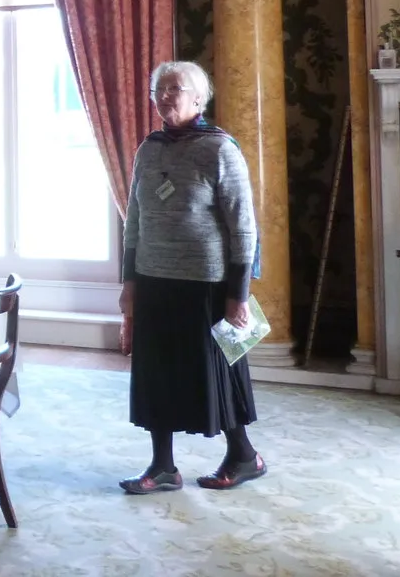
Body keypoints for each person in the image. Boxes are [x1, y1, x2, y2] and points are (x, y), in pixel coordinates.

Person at [118, 60, 265, 494]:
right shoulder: (149, 148)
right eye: (158, 90)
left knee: (218, 372)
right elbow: (135, 222)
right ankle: (162, 466)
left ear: (199, 98)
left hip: (209, 284)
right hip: (154, 279)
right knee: (156, 374)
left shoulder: (220, 149)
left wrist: (238, 296)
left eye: (175, 88)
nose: (164, 96)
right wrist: (129, 284)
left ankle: (243, 455)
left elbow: (244, 228)